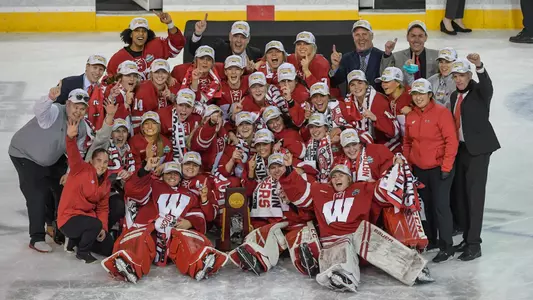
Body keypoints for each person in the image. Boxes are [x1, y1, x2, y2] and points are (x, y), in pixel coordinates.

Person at [278, 157, 433, 291]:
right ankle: (341, 274)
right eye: (334, 176)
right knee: (341, 244)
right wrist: (288, 173)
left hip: (361, 244)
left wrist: (396, 168)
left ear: (349, 178)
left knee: (369, 234)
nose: (337, 178)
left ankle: (413, 268)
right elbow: (301, 194)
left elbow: (385, 188)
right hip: (335, 241)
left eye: (341, 175)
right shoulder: (320, 190)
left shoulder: (363, 188)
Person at [101, 160, 227, 283]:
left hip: (172, 239)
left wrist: (190, 222)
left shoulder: (190, 194)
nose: (172, 176)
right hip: (152, 233)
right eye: (168, 173)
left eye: (176, 173)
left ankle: (199, 264)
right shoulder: (153, 186)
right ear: (162, 176)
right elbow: (134, 189)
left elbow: (198, 214)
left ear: (180, 177)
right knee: (141, 239)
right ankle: (129, 265)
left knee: (185, 238)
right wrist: (145, 169)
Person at [9, 85, 88, 253]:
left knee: (64, 187)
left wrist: (68, 174)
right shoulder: (54, 112)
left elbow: (78, 154)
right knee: (37, 193)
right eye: (75, 107)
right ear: (67, 104)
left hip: (50, 159)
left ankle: (56, 226)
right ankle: (36, 237)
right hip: (25, 154)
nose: (78, 111)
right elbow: (40, 110)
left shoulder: (81, 128)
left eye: (82, 109)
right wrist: (50, 98)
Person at [450, 55, 500, 261]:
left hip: (478, 151)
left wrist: (480, 66)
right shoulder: (454, 96)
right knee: (462, 196)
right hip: (461, 151)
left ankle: (474, 244)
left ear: (470, 75)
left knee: (475, 197)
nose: (459, 79)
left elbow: (487, 85)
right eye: (456, 76)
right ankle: (467, 237)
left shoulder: (480, 91)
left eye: (462, 75)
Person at [403, 78, 458, 262]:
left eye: (421, 94)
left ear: (430, 95)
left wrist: (446, 167)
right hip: (420, 168)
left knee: (441, 206)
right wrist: (409, 164)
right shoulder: (411, 116)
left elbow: (452, 141)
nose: (418, 98)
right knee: (429, 206)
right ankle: (433, 240)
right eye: (415, 94)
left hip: (440, 168)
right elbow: (408, 142)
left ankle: (447, 245)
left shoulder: (441, 113)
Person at [57, 118, 114, 263]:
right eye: (99, 161)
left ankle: (75, 242)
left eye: (105, 162)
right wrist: (70, 137)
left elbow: (103, 208)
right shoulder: (80, 169)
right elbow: (73, 153)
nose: (102, 165)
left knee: (108, 247)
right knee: (94, 224)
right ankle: (82, 252)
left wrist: (103, 229)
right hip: (68, 219)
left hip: (89, 221)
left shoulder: (106, 183)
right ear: (91, 161)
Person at [106, 12, 185, 79]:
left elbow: (177, 45)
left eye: (144, 31)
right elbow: (109, 82)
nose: (141, 34)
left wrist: (170, 24)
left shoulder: (157, 45)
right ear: (130, 34)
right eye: (137, 31)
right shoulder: (118, 59)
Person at [330, 20, 384, 90]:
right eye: (357, 35)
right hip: (353, 99)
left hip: (376, 99)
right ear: (353, 38)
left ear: (372, 36)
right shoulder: (347, 58)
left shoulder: (382, 57)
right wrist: (335, 66)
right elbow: (335, 82)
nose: (361, 38)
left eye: (364, 34)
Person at [189, 16, 262, 66]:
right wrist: (197, 34)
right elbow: (196, 52)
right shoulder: (220, 49)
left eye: (243, 37)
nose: (239, 41)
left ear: (248, 39)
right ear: (230, 37)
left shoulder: (256, 54)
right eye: (236, 36)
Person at [131, 59, 179, 132]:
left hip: (165, 131)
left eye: (164, 72)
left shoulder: (172, 86)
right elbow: (137, 122)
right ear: (151, 74)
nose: (160, 75)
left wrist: (172, 97)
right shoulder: (144, 91)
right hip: (148, 132)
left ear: (168, 74)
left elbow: (184, 106)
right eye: (156, 72)